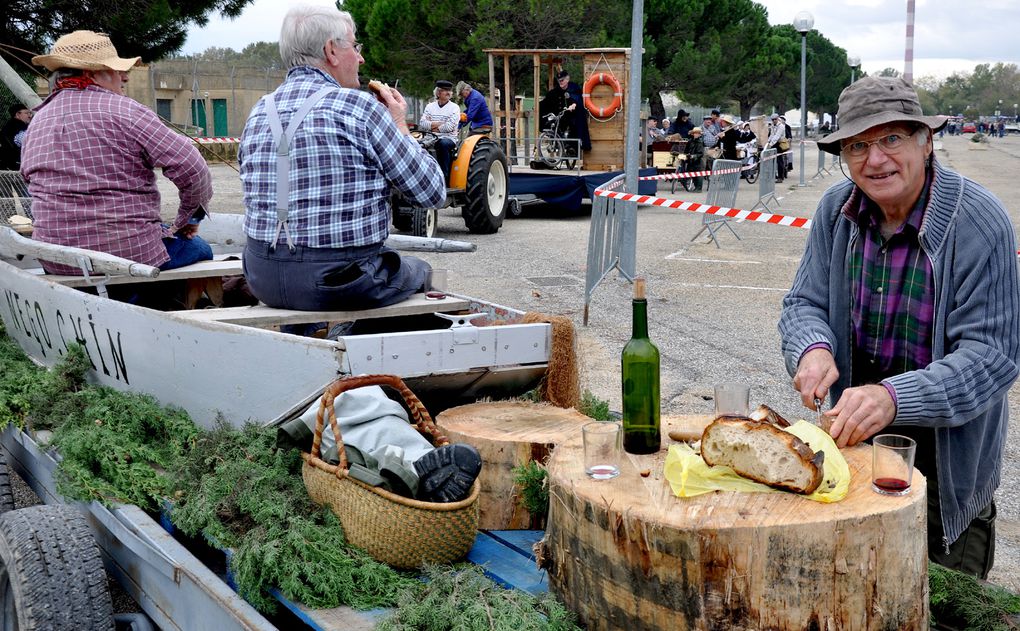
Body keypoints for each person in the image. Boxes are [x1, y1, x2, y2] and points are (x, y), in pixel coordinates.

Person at [779, 76, 1020, 579]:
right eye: (858, 145)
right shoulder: (836, 211)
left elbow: (991, 357)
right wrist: (812, 349)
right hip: (855, 453)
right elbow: (804, 301)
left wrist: (892, 398)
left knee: (944, 605)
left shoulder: (981, 223)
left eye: (892, 138)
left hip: (946, 463)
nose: (875, 159)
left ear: (926, 141)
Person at [239, 5, 445, 313]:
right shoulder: (359, 108)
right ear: (331, 51)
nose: (360, 57)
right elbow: (432, 192)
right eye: (355, 46)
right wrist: (400, 124)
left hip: (261, 277)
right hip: (340, 282)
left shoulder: (259, 111)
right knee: (419, 269)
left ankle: (313, 332)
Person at [22, 31, 213, 276]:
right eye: (115, 70)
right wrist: (189, 218)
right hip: (129, 254)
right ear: (91, 74)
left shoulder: (38, 120)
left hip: (57, 259)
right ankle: (153, 303)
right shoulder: (126, 111)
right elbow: (192, 166)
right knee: (200, 248)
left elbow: (28, 178)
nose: (123, 77)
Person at [539, 70, 591, 155]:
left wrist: (573, 105)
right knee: (552, 123)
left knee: (574, 125)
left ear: (567, 79)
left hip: (572, 114)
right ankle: (557, 145)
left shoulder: (574, 88)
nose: (560, 82)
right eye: (559, 80)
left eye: (562, 80)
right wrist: (537, 106)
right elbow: (547, 100)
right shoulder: (556, 90)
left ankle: (572, 148)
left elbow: (577, 99)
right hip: (561, 115)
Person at [419, 79, 460, 182]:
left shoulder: (454, 108)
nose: (449, 93)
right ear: (438, 92)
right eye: (445, 90)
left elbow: (449, 127)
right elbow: (422, 123)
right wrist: (439, 124)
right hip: (430, 137)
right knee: (416, 144)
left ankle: (444, 176)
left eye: (450, 91)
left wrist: (431, 125)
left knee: (443, 144)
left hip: (448, 138)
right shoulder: (430, 106)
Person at [0, 103, 33, 210]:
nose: (29, 115)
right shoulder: (18, 127)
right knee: (27, 197)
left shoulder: (7, 127)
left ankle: (9, 221)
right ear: (17, 115)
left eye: (30, 113)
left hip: (6, 168)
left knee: (6, 199)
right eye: (26, 113)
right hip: (16, 168)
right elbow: (24, 141)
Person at [765, 113, 788, 182]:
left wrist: (770, 144)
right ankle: (773, 175)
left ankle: (781, 177)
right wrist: (767, 142)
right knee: (771, 160)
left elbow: (777, 136)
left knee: (779, 160)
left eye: (775, 119)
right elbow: (772, 135)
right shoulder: (772, 126)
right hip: (774, 144)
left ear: (778, 119)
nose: (774, 120)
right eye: (772, 119)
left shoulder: (781, 126)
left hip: (779, 144)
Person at [685, 127, 705, 192]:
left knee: (698, 175)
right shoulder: (690, 141)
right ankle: (696, 187)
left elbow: (701, 153)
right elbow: (686, 150)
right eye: (695, 133)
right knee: (693, 174)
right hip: (691, 160)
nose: (696, 134)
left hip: (698, 161)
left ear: (700, 134)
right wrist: (686, 155)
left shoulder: (700, 142)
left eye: (698, 133)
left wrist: (694, 156)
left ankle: (698, 188)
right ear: (693, 134)